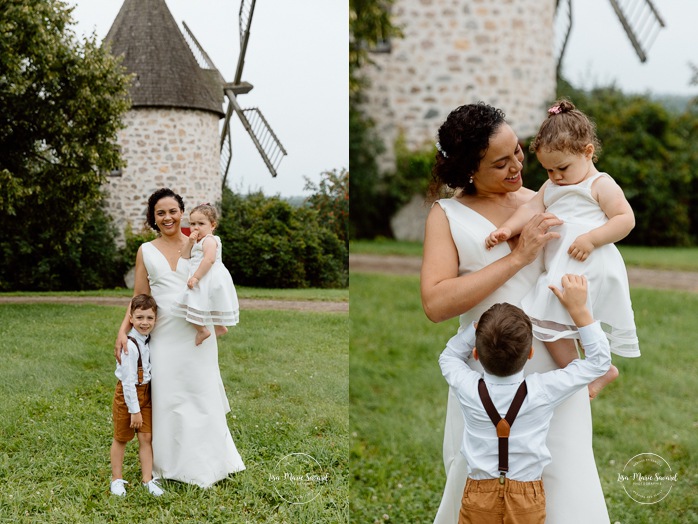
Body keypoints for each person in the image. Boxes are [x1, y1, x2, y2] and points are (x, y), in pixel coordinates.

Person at [422, 102, 610, 522]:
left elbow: (593, 260)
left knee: (567, 474)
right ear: (470, 169)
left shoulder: (549, 199)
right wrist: (517, 258)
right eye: (500, 163)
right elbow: (435, 304)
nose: (516, 168)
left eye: (518, 152)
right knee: (481, 485)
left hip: (554, 371)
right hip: (489, 369)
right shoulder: (447, 215)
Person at [486, 99, 640, 398]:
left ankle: (587, 373)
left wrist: (593, 238)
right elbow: (531, 207)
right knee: (560, 322)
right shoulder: (552, 187)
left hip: (588, 263)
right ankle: (592, 370)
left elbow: (626, 219)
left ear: (588, 152)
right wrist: (507, 229)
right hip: (565, 265)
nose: (555, 176)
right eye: (548, 170)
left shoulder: (599, 184)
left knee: (542, 314)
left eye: (562, 168)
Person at [439, 274, 611, 524]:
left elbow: (449, 358)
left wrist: (473, 330)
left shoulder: (468, 387)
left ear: (475, 354)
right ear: (530, 354)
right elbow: (599, 362)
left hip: (478, 495)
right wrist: (579, 310)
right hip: (526, 497)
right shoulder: (542, 389)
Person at [114, 188, 245, 488]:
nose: (168, 217)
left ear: (182, 213)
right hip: (163, 337)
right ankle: (168, 464)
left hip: (196, 332)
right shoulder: (145, 251)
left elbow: (214, 279)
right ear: (154, 218)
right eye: (161, 212)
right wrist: (123, 331)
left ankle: (209, 463)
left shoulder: (199, 242)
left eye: (173, 211)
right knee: (168, 395)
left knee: (200, 391)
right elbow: (139, 297)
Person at [110, 294, 164, 497]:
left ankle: (147, 480)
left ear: (155, 320)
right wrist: (135, 411)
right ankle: (116, 479)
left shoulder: (148, 340)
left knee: (146, 437)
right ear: (130, 318)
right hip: (128, 397)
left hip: (145, 394)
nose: (145, 322)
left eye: (150, 318)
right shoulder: (129, 346)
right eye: (140, 317)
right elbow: (128, 383)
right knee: (121, 438)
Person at [171, 203, 240, 346]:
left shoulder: (209, 240)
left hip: (207, 276)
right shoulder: (196, 241)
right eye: (192, 224)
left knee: (189, 300)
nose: (196, 227)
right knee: (204, 303)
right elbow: (185, 255)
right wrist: (190, 242)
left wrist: (196, 277)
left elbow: (209, 259)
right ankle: (219, 327)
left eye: (201, 223)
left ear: (212, 225)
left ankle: (202, 330)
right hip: (202, 276)